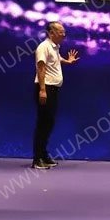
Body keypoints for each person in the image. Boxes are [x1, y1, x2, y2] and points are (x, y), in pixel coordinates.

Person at [32, 21, 79, 170]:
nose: (64, 34)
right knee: (43, 123)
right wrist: (42, 90)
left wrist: (68, 61)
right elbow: (41, 68)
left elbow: (56, 59)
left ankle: (44, 154)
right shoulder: (43, 47)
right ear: (51, 33)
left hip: (53, 89)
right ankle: (37, 158)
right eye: (60, 32)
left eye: (64, 31)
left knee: (49, 122)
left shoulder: (55, 47)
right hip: (46, 88)